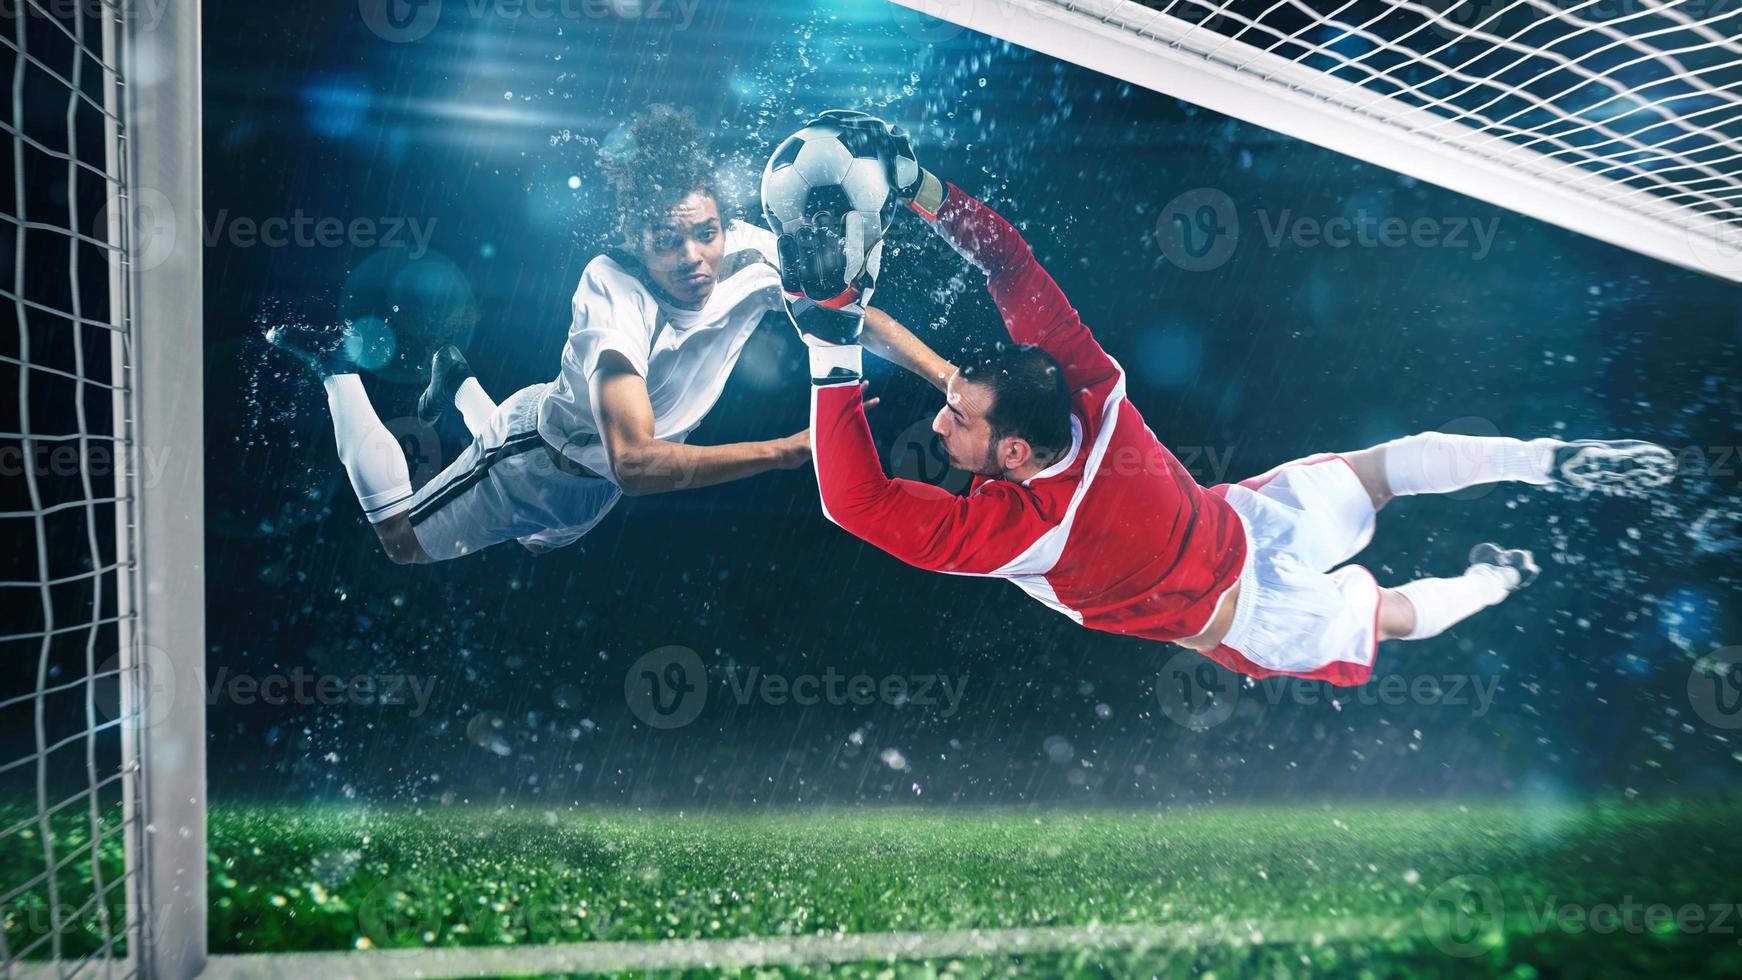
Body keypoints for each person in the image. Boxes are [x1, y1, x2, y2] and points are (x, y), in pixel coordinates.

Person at [782, 119, 1677, 685]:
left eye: (958, 417)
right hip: (1247, 525)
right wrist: (923, 188)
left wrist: (830, 355)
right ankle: (1547, 461)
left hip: (1251, 618)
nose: (938, 417)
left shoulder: (1025, 535)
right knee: (1382, 472)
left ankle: (1499, 577)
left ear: (1014, 456)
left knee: (1395, 617)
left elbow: (852, 500)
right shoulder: (1090, 387)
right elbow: (1007, 265)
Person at [267, 107, 811, 563]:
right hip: (533, 459)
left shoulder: (744, 247)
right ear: (639, 236)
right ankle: (335, 369)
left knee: (535, 544)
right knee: (401, 542)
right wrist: (783, 451)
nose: (692, 256)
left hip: (588, 480)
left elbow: (835, 304)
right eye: (668, 239)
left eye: (704, 233)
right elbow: (637, 463)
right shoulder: (616, 289)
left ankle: (457, 382)